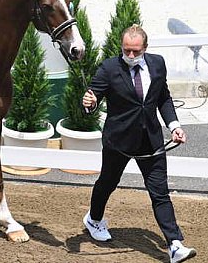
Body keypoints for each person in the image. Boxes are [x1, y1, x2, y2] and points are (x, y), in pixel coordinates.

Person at [81, 24, 196, 263]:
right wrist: (89, 102)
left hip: (150, 140)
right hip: (118, 141)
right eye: (126, 51)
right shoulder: (109, 68)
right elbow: (92, 100)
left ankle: (175, 244)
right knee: (107, 183)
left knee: (160, 192)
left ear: (145, 48)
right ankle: (93, 219)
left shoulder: (157, 64)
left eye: (135, 51)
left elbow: (163, 97)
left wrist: (174, 126)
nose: (130, 56)